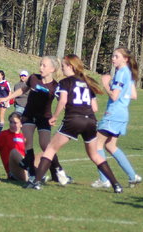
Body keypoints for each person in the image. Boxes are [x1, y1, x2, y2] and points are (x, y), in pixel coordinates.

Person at [27, 55, 123, 193]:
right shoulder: (86, 82)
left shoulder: (65, 82)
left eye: (63, 66)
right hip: (90, 121)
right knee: (94, 155)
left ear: (70, 66)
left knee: (50, 149)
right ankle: (116, 185)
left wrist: (55, 116)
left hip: (73, 119)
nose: (62, 69)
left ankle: (35, 182)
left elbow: (62, 101)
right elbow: (95, 108)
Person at [0, 56, 71, 186]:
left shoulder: (56, 86)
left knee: (45, 145)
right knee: (28, 142)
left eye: (44, 65)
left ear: (52, 69)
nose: (40, 67)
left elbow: (63, 102)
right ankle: (31, 173)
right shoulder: (33, 78)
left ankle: (58, 171)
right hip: (29, 115)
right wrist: (7, 98)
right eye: (40, 64)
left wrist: (62, 115)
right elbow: (22, 89)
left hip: (44, 117)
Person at [92, 48, 142, 189]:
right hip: (123, 114)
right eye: (113, 56)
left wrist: (105, 84)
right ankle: (133, 176)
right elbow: (133, 95)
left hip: (113, 113)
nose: (113, 59)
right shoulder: (128, 73)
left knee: (96, 145)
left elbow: (114, 96)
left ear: (125, 59)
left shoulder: (120, 73)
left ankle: (104, 180)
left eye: (116, 56)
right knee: (110, 146)